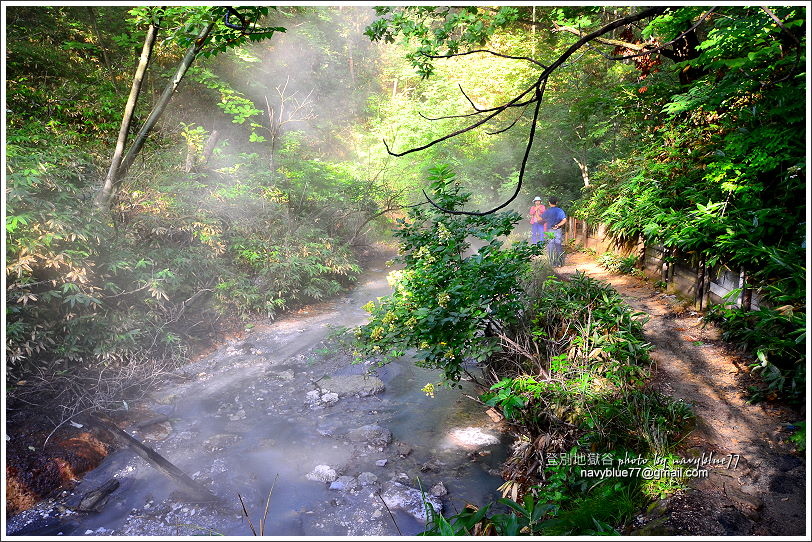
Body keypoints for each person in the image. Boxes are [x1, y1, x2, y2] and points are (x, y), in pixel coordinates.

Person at [541, 197, 567, 266]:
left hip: (550, 230)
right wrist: (558, 225)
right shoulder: (560, 210)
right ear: (557, 202)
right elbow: (564, 220)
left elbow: (541, 218)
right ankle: (560, 263)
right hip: (558, 230)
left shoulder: (547, 211)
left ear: (549, 203)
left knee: (551, 245)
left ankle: (552, 263)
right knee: (558, 245)